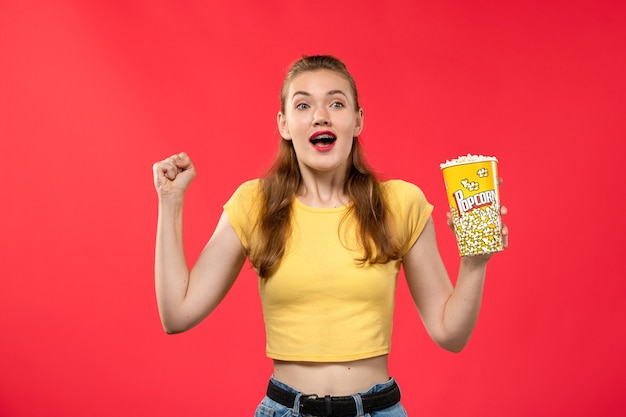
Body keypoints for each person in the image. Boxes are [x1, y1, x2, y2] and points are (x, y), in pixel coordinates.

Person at [152, 55, 508, 417]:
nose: (320, 115)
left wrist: (474, 263)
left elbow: (450, 334)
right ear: (284, 124)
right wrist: (170, 202)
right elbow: (177, 315)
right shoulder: (255, 204)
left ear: (357, 121)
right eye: (303, 104)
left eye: (336, 103)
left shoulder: (400, 203)